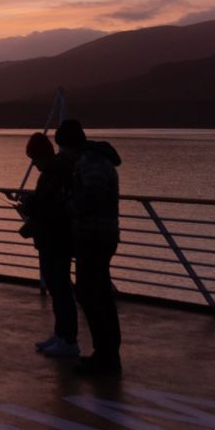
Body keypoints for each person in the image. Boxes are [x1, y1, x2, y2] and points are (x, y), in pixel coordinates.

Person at [57, 119, 124, 375]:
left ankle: (106, 357)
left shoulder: (90, 162)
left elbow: (93, 196)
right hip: (101, 235)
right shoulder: (95, 160)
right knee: (98, 294)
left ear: (70, 144)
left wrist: (70, 208)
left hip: (94, 236)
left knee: (91, 294)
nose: (63, 154)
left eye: (63, 148)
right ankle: (106, 354)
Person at [18, 131, 79, 358]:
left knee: (61, 288)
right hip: (51, 238)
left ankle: (68, 339)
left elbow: (49, 206)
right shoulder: (54, 173)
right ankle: (61, 334)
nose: (34, 164)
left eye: (34, 159)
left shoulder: (55, 174)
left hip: (56, 238)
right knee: (57, 288)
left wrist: (28, 206)